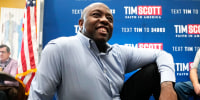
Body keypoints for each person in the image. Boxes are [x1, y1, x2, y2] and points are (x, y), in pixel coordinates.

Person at [28, 2, 177, 100]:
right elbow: (39, 96)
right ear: (81, 24)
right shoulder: (59, 48)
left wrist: (167, 87)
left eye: (109, 18)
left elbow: (162, 54)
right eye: (96, 15)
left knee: (155, 70)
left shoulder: (119, 53)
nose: (105, 20)